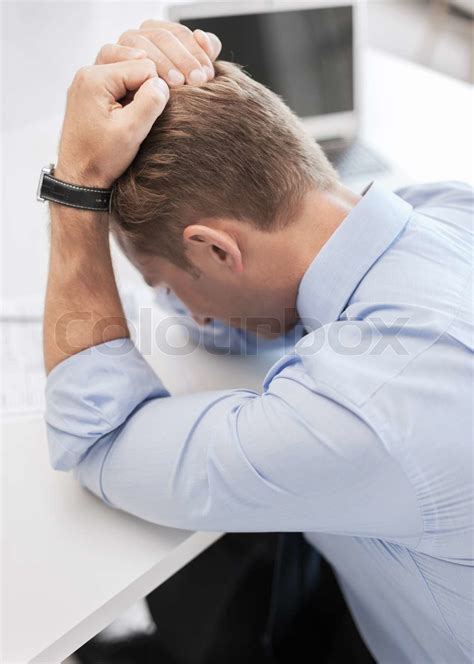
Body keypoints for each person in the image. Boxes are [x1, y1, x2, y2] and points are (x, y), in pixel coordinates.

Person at [42, 19, 473, 664]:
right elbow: (258, 314)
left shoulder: (366, 414)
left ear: (216, 249)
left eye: (164, 285)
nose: (178, 310)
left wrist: (74, 190)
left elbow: (95, 438)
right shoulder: (444, 208)